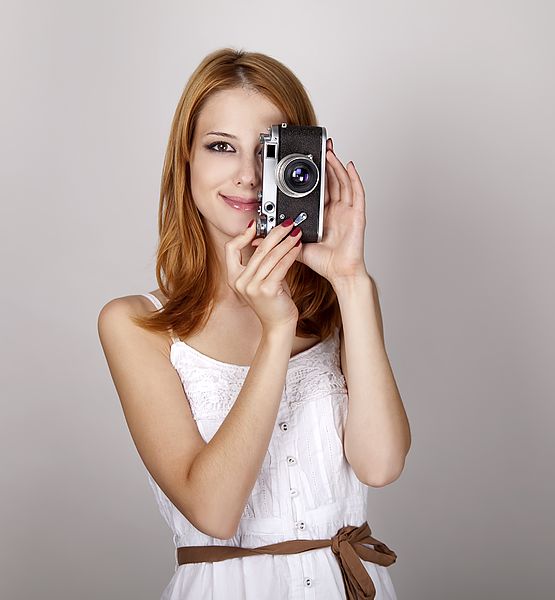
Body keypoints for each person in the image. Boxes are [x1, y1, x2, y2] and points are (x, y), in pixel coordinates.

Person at [97, 48, 411, 600]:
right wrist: (275, 333)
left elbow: (381, 463)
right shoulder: (136, 324)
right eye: (221, 147)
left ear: (303, 163)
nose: (246, 175)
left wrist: (354, 279)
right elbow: (213, 511)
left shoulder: (342, 300)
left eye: (269, 150)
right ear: (186, 161)